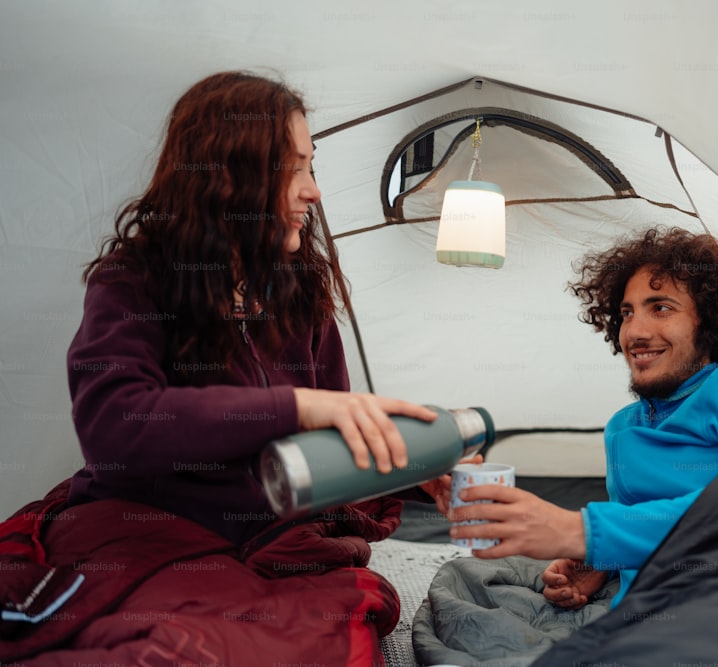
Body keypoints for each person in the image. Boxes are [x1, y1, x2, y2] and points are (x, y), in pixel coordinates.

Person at [66, 71, 446, 545]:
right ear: (228, 175)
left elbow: (326, 448)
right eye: (292, 167)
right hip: (153, 537)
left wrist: (413, 473)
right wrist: (296, 407)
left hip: (269, 538)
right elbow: (115, 427)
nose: (313, 191)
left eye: (312, 167)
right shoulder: (133, 282)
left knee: (349, 606)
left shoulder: (301, 292)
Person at [447, 226, 718, 610]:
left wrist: (579, 531)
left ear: (711, 321)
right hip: (646, 619)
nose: (635, 332)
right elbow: (648, 528)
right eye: (627, 313)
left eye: (661, 308)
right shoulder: (624, 426)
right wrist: (606, 562)